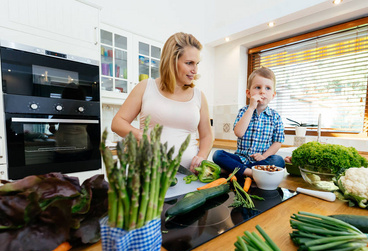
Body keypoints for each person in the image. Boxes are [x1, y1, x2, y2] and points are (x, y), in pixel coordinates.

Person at [111, 32, 213, 172]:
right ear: (172, 61)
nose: (194, 70)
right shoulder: (146, 87)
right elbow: (117, 122)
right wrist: (140, 135)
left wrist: (201, 156)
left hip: (188, 175)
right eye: (189, 63)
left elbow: (207, 135)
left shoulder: (199, 96)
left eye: (197, 64)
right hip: (149, 175)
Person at [213, 67, 285, 178]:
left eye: (268, 88)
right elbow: (239, 132)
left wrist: (264, 156)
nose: (262, 91)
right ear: (248, 93)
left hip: (260, 161)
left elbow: (277, 142)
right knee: (218, 154)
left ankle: (234, 170)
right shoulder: (244, 111)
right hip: (240, 158)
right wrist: (251, 108)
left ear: (273, 95)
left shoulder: (275, 117)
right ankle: (250, 173)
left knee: (278, 160)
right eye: (257, 87)